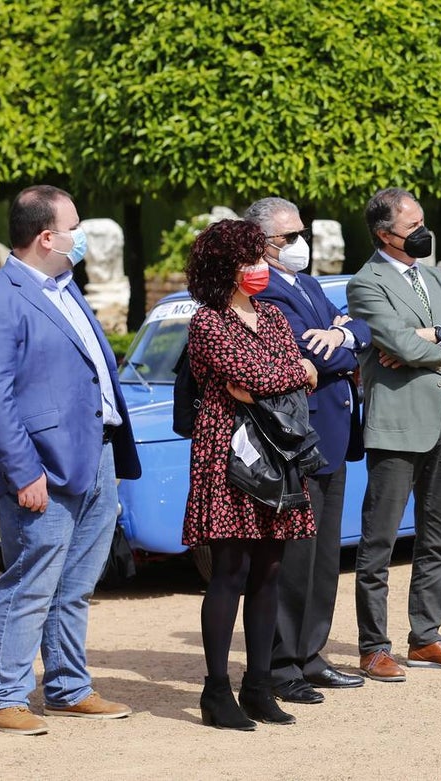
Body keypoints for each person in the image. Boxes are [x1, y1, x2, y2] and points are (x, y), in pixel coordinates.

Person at [0, 185, 142, 736]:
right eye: (75, 226)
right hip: (40, 469)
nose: (81, 235)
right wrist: (23, 473)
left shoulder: (65, 288)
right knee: (32, 581)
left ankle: (67, 687)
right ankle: (5, 697)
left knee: (76, 584)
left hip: (96, 455)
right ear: (46, 237)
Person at [346, 187, 441, 682]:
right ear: (384, 234)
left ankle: (426, 638)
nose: (423, 233)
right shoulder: (366, 283)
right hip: (395, 427)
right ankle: (373, 646)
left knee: (434, 539)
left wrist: (433, 339)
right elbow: (394, 343)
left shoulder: (434, 274)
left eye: (422, 222)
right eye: (412, 227)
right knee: (379, 543)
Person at [181, 219, 319, 730]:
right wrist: (290, 374)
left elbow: (284, 379)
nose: (261, 267)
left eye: (260, 256)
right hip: (229, 453)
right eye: (250, 259)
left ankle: (258, 685)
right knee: (230, 572)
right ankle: (216, 691)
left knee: (270, 571)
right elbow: (265, 375)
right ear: (226, 267)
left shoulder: (273, 316)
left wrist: (284, 377)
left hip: (278, 451)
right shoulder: (207, 322)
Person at [245, 197, 371, 703]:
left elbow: (360, 331)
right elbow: (303, 352)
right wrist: (342, 341)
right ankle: (282, 663)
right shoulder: (264, 289)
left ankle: (311, 653)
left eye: (301, 233)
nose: (301, 244)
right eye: (288, 237)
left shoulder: (309, 283)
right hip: (298, 437)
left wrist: (342, 332)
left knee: (323, 558)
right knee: (292, 558)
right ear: (262, 243)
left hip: (333, 436)